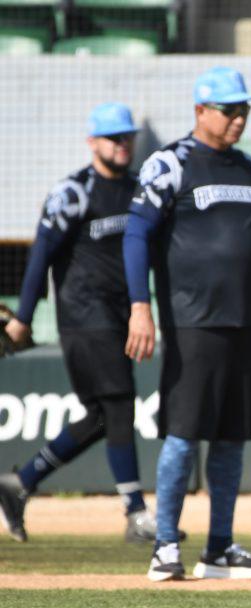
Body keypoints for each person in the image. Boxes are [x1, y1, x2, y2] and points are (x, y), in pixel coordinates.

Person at [122, 67, 251, 581]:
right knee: (184, 436)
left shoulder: (249, 168)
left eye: (244, 108)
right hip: (194, 323)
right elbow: (136, 236)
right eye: (229, 109)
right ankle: (166, 546)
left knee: (231, 439)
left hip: (247, 324)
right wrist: (140, 306)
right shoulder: (169, 164)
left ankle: (218, 547)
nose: (239, 117)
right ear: (201, 110)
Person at [0, 103, 164, 545]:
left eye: (127, 137)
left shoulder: (136, 190)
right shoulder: (73, 192)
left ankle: (20, 483)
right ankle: (135, 512)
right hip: (83, 318)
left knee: (100, 417)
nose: (122, 144)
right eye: (113, 138)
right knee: (119, 407)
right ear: (92, 142)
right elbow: (40, 255)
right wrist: (23, 316)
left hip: (117, 318)